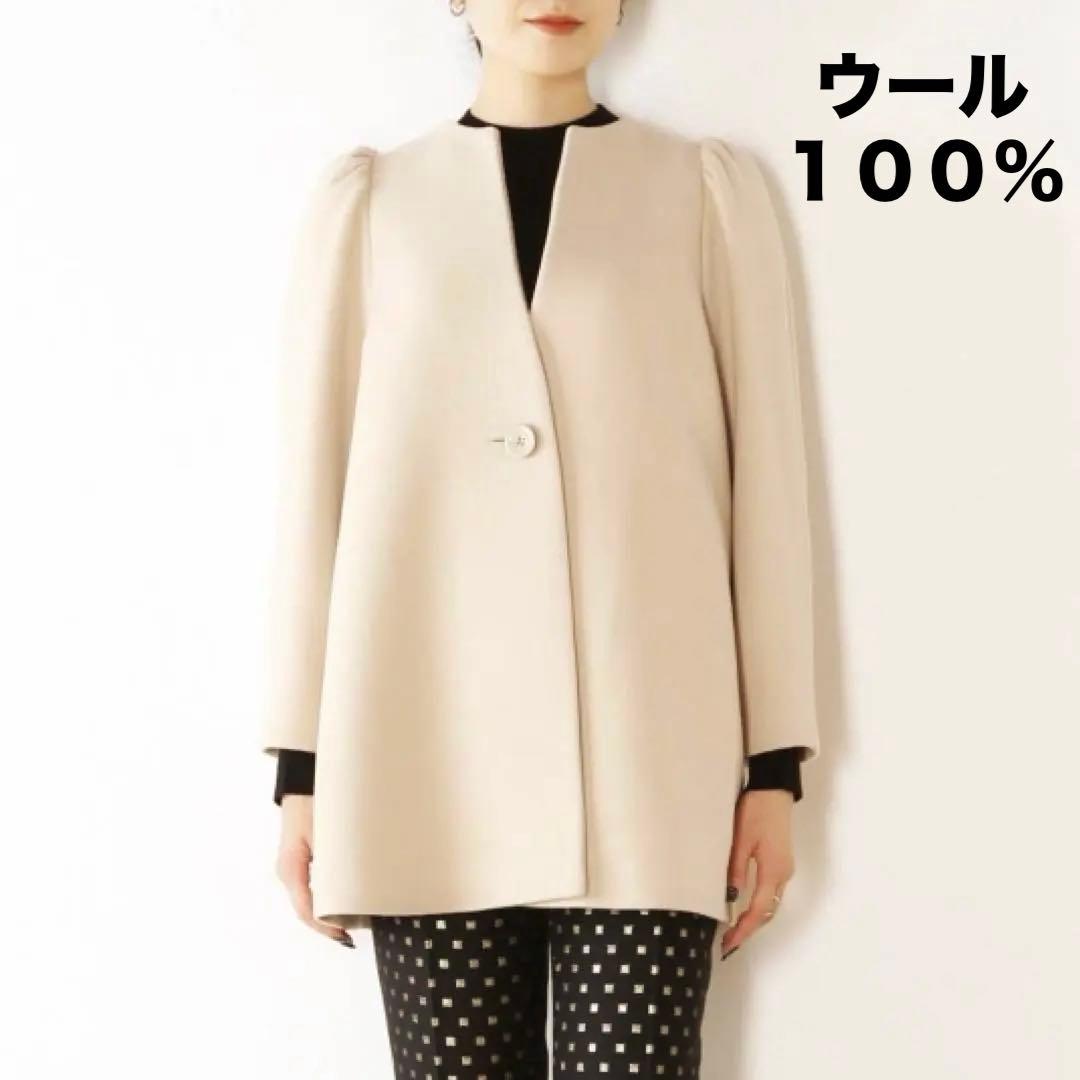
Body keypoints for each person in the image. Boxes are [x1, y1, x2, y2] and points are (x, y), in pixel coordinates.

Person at [265, 3, 820, 1075]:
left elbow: (769, 485)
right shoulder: (373, 206)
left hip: (652, 761)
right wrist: (304, 768)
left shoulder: (700, 193)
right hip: (420, 752)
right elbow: (315, 491)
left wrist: (773, 767)